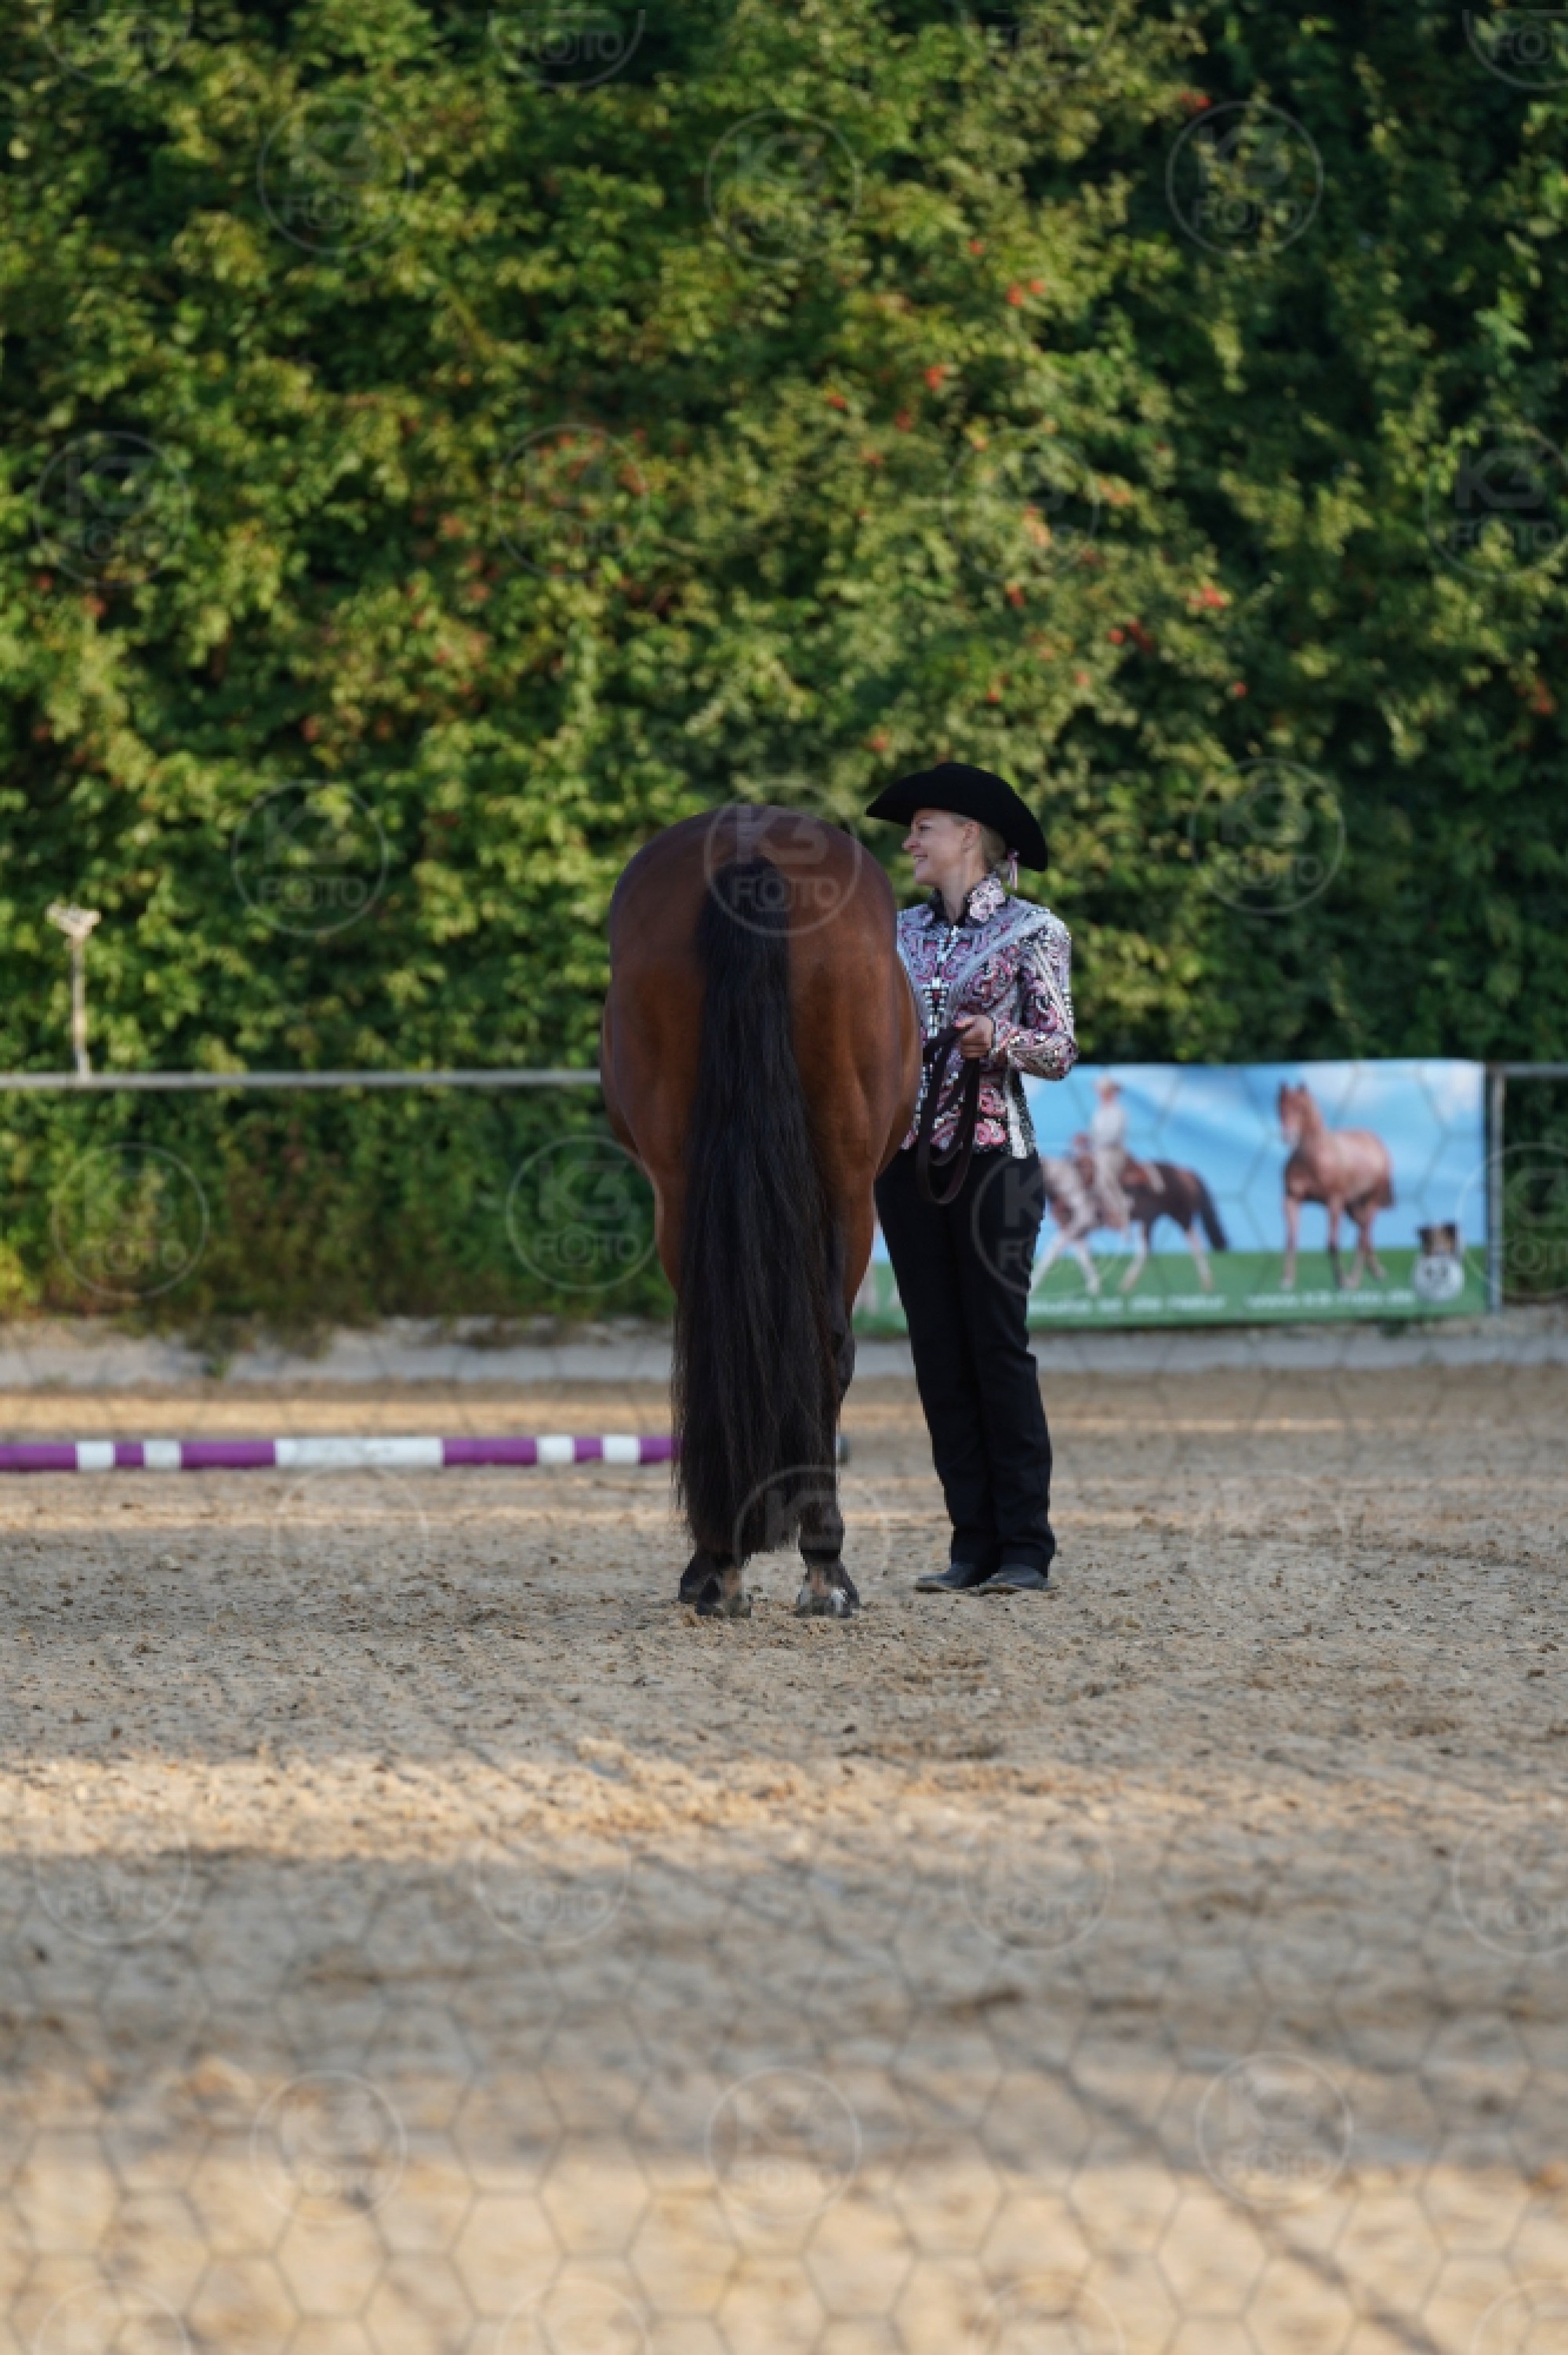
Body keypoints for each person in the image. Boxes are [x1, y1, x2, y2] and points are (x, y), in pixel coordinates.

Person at [865, 761, 1077, 1595]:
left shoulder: (1034, 931)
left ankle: (1025, 1545)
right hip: (906, 1166)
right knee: (937, 1352)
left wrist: (1001, 1036)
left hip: (995, 1165)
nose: (909, 843)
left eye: (923, 827)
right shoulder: (891, 934)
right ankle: (972, 1544)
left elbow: (1059, 1048)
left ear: (969, 836)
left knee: (996, 1346)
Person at [1089, 1073, 1130, 1231]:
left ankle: (1120, 1210)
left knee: (1104, 1179)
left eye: (1106, 1091)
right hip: (1097, 1151)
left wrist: (1095, 1140)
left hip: (1113, 1152)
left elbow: (1113, 1135)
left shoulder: (1118, 1111)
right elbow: (1094, 1133)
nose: (1102, 1094)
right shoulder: (1099, 1112)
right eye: (1101, 1091)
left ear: (1112, 1092)